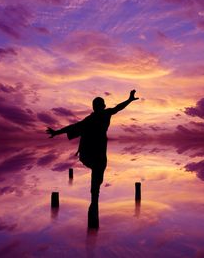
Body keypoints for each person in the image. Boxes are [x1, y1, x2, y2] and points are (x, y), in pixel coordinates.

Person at [46, 90, 139, 224]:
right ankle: (94, 202)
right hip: (90, 154)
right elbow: (73, 126)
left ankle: (94, 201)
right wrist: (56, 132)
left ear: (102, 107)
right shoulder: (92, 119)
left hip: (99, 155)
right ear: (96, 107)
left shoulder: (103, 115)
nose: (99, 108)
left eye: (99, 106)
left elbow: (118, 107)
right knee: (96, 179)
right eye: (97, 106)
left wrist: (129, 100)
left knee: (97, 180)